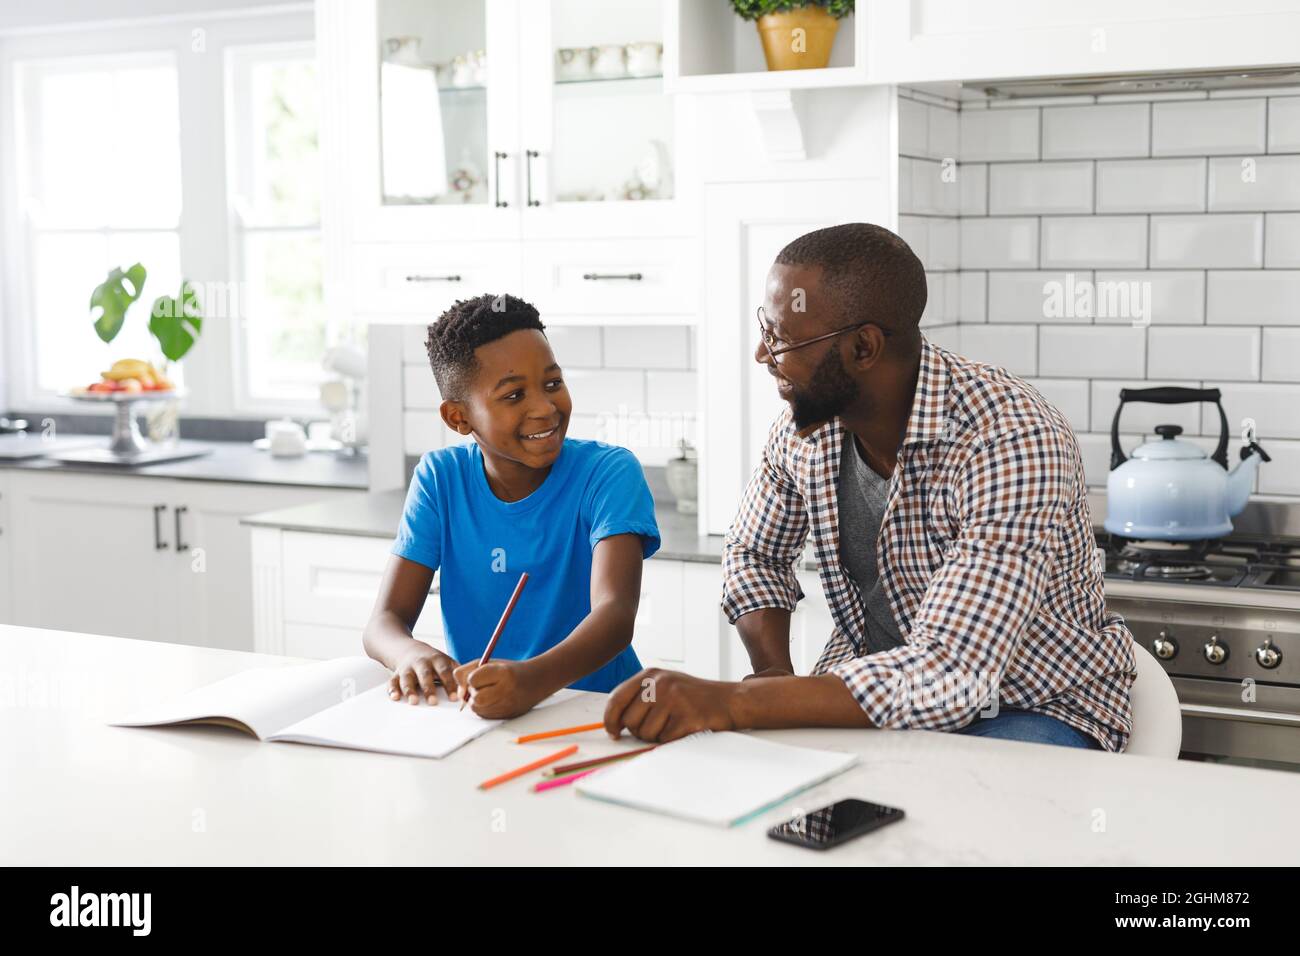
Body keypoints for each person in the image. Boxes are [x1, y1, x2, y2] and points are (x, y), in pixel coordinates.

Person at [602, 223, 1135, 751]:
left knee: (947, 816)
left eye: (782, 339)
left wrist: (730, 702)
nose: (764, 356)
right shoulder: (806, 430)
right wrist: (771, 672)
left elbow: (953, 673)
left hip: (1030, 705)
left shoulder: (1010, 438)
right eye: (765, 329)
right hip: (877, 700)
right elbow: (754, 554)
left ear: (863, 348)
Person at [364, 293, 661, 718]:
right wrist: (408, 654)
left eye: (553, 384)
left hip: (597, 712)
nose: (544, 408)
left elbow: (615, 614)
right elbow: (384, 622)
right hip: (489, 713)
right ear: (458, 418)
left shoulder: (608, 473)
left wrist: (531, 682)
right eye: (514, 395)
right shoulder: (439, 479)